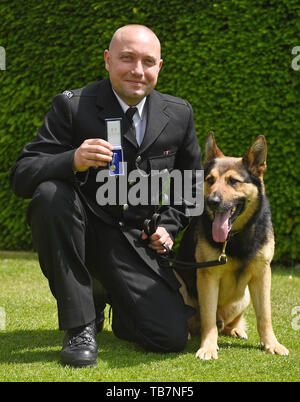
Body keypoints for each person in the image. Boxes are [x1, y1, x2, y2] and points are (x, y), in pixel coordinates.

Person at [10, 24, 202, 367]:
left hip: (135, 241)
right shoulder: (72, 106)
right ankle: (80, 324)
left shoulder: (179, 114)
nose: (137, 70)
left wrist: (169, 228)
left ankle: (109, 296)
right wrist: (72, 159)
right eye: (126, 58)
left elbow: (190, 185)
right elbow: (22, 175)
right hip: (80, 230)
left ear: (160, 66)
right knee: (50, 195)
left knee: (170, 337)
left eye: (147, 61)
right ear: (107, 60)